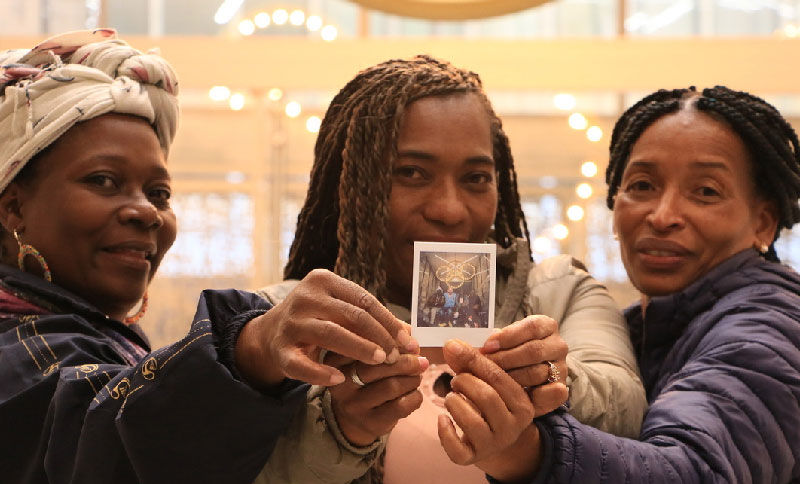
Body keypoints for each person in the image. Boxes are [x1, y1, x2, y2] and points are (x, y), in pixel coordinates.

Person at [0, 30, 416, 484]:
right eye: (102, 180)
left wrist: (346, 427)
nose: (146, 212)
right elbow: (104, 444)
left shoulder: (88, 335)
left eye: (159, 193)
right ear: (13, 207)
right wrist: (248, 347)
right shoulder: (16, 355)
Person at [256, 55, 647, 483]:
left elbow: (627, 412)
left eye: (476, 178)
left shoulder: (560, 291)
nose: (449, 209)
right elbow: (231, 464)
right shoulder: (284, 319)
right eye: (411, 173)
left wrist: (552, 377)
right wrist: (340, 427)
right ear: (351, 187)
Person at [446, 86, 800, 483]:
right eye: (642, 186)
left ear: (763, 223)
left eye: (705, 192)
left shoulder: (769, 331)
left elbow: (694, 470)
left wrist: (528, 452)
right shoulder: (645, 328)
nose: (663, 216)